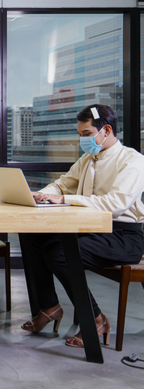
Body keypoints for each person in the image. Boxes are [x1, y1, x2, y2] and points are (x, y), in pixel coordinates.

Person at [19, 104, 144, 348]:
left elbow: (116, 204)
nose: (82, 140)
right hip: (89, 231)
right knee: (33, 236)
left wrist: (66, 199)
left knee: (61, 254)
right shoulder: (88, 160)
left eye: (87, 135)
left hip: (122, 237)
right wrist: (42, 194)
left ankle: (96, 319)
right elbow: (61, 184)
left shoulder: (133, 160)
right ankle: (49, 306)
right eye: (80, 135)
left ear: (106, 130)